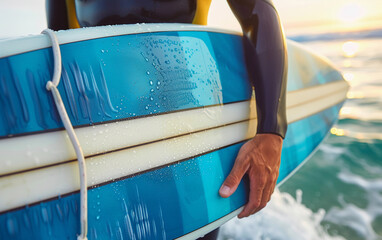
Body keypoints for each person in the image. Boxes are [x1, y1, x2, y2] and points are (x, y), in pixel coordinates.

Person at [45, 0, 287, 239]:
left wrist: (271, 132)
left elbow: (258, 10)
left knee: (188, 222)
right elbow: (60, 47)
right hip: (104, 124)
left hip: (190, 127)